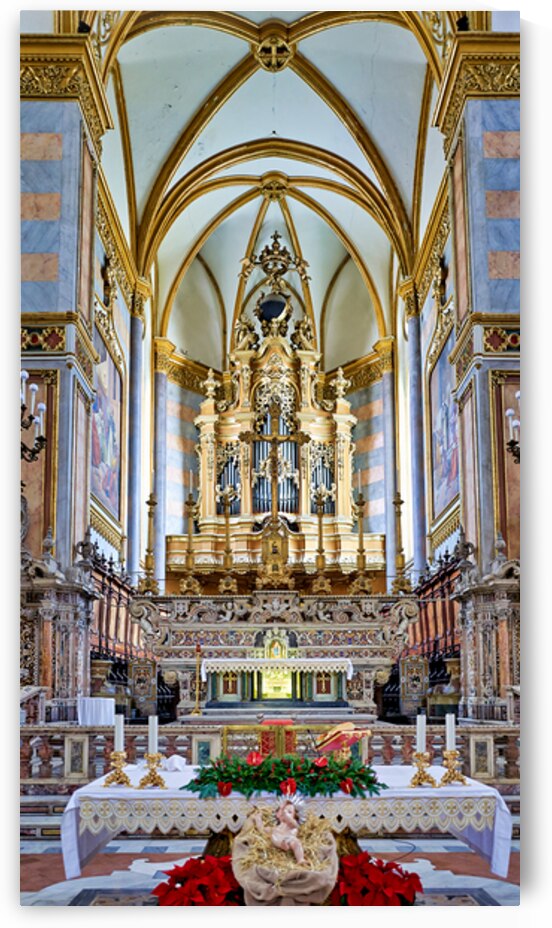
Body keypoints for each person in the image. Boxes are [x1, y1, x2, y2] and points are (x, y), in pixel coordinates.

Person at [254, 799, 305, 865]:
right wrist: (258, 819)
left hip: (290, 838)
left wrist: (285, 812)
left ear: (294, 817)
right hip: (279, 840)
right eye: (282, 810)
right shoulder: (274, 828)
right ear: (277, 814)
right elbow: (262, 830)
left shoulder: (292, 825)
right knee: (273, 836)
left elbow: (290, 820)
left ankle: (300, 859)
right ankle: (282, 844)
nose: (285, 812)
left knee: (296, 843)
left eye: (290, 812)